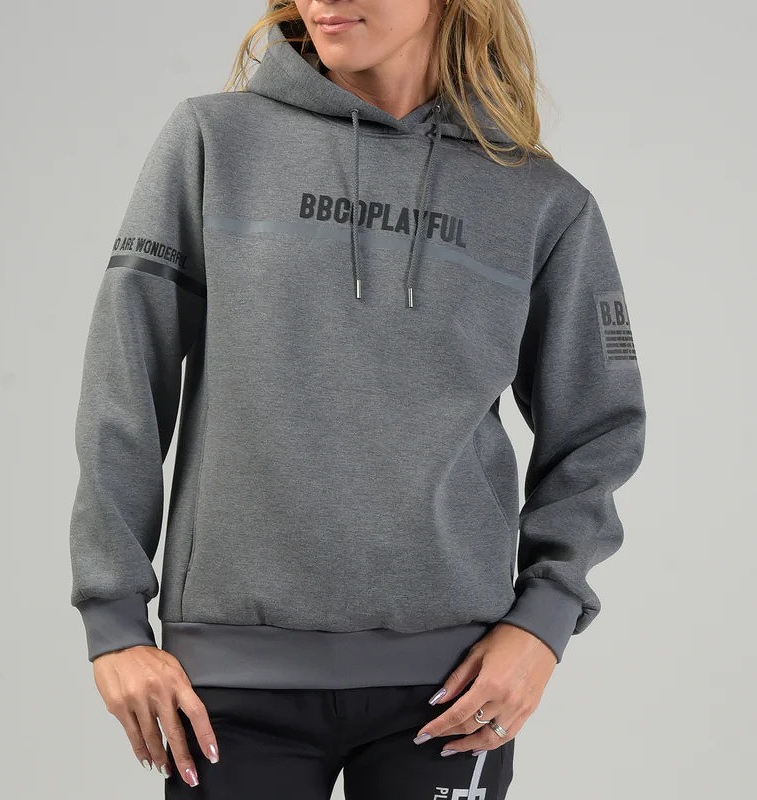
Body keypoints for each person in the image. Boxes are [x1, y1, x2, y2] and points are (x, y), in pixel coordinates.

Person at [68, 1, 646, 797]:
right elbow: (124, 384)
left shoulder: (544, 203)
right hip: (231, 685)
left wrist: (543, 625)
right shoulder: (213, 143)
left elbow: (601, 430)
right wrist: (114, 620)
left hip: (454, 692)